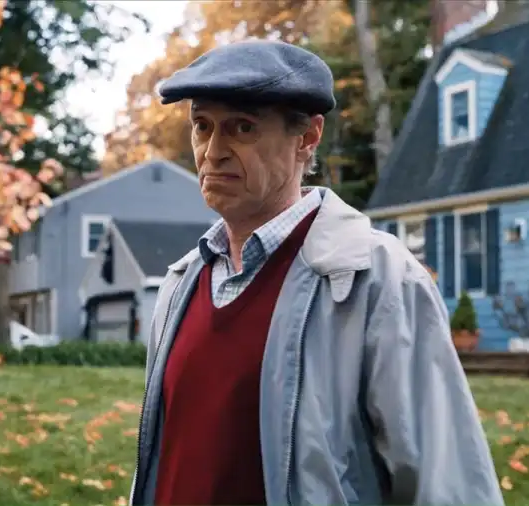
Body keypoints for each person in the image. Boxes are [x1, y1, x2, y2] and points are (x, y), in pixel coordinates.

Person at [128, 39, 504, 506]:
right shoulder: (181, 283)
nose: (213, 151)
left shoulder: (378, 281)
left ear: (307, 137)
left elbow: (448, 485)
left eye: (242, 127)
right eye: (202, 126)